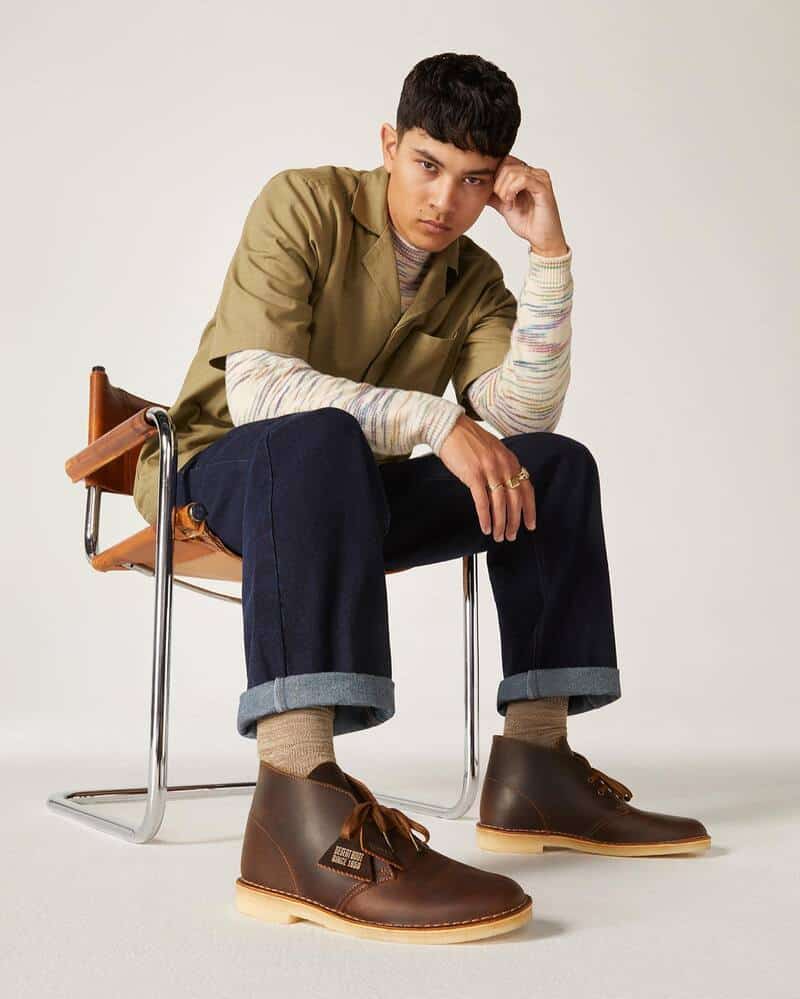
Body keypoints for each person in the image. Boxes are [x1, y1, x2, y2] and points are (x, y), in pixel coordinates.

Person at [132, 51, 710, 945]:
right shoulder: (305, 202)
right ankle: (296, 804)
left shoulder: (474, 277)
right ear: (389, 144)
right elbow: (258, 390)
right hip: (226, 474)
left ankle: (536, 769)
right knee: (318, 438)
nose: (445, 200)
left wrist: (547, 255)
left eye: (474, 181)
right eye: (427, 165)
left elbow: (519, 413)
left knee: (550, 464)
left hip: (350, 491)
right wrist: (434, 424)